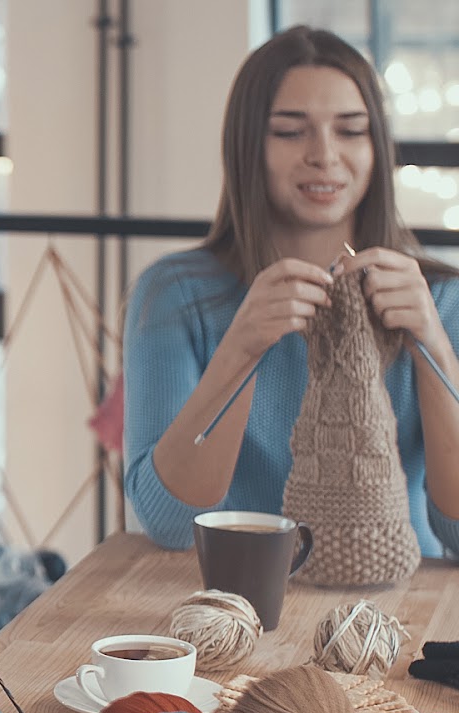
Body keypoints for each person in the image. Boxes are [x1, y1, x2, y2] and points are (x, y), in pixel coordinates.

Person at [125, 25, 459, 558]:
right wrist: (242, 346)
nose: (324, 155)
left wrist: (433, 344)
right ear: (247, 145)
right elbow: (168, 521)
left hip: (397, 612)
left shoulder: (440, 298)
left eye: (351, 130)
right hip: (238, 606)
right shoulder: (176, 295)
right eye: (289, 131)